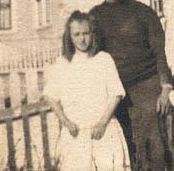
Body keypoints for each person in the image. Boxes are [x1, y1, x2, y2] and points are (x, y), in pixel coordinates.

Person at [90, 0, 173, 171]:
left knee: (153, 147)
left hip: (146, 86)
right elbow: (91, 58)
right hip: (113, 93)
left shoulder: (144, 13)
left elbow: (160, 52)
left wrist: (165, 88)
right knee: (121, 147)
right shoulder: (95, 16)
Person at [44, 11, 130, 171]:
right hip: (75, 133)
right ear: (69, 36)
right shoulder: (63, 63)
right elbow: (50, 96)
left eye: (85, 33)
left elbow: (116, 94)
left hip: (103, 130)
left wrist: (102, 123)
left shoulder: (103, 60)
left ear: (92, 34)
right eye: (76, 34)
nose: (82, 39)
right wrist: (66, 122)